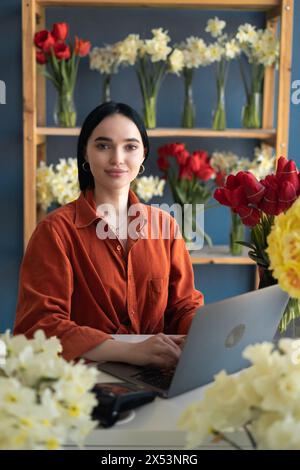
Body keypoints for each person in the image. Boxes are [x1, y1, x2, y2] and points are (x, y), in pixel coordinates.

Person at [14, 102, 204, 368]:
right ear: (85, 153)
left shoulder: (165, 226)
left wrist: (206, 334)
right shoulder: (55, 232)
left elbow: (183, 306)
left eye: (130, 146)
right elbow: (38, 327)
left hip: (157, 371)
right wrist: (129, 351)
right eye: (103, 146)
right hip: (82, 379)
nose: (117, 158)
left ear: (143, 156)